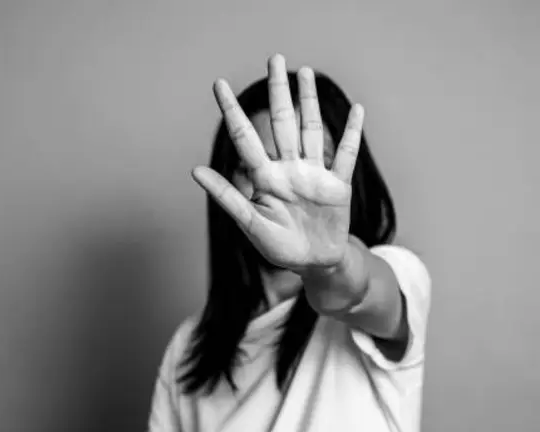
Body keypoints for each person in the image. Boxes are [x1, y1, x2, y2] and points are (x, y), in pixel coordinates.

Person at [147, 54, 431, 432]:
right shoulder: (187, 347)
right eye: (256, 168)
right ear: (229, 182)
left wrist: (326, 264)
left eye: (314, 166)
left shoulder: (398, 272)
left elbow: (359, 289)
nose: (284, 191)